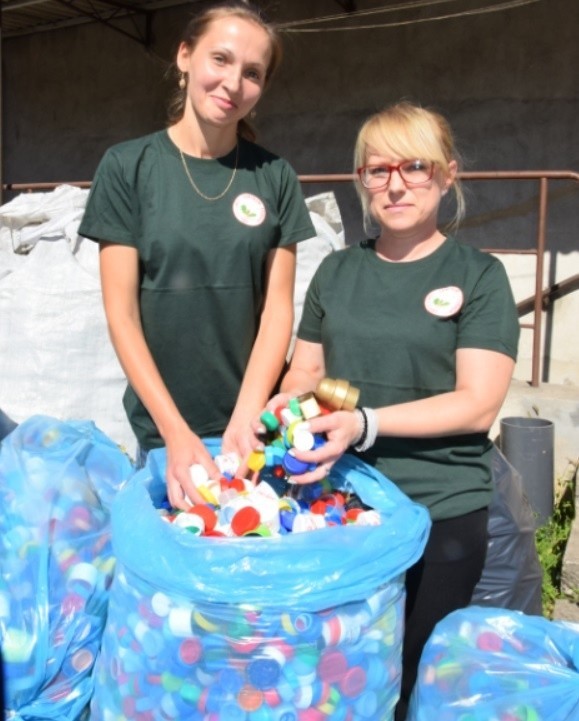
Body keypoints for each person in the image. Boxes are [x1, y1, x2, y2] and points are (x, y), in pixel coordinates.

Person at [260, 101, 520, 720]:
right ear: (361, 181)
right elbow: (310, 374)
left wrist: (364, 424)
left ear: (447, 175)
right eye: (377, 170)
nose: (395, 184)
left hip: (441, 512)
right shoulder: (338, 270)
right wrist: (279, 406)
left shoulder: (479, 276)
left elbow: (477, 404)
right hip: (343, 513)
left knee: (414, 682)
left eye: (414, 166)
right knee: (337, 679)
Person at [79, 1, 315, 510]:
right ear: (184, 56)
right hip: (167, 435)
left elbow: (277, 311)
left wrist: (248, 418)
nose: (233, 83)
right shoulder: (128, 167)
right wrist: (174, 432)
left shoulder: (275, 177)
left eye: (253, 73)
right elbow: (121, 315)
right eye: (220, 59)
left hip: (253, 433)